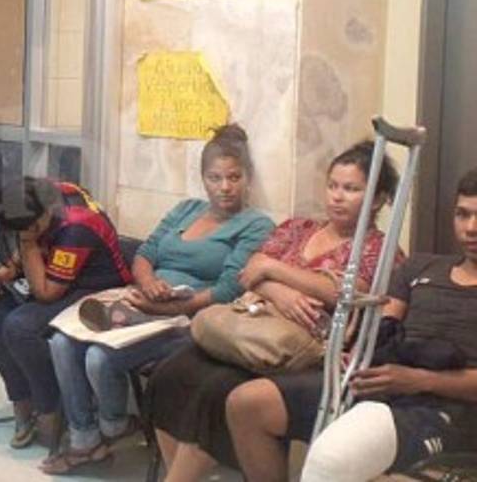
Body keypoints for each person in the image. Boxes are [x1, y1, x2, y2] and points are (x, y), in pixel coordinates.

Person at [145, 141, 401, 481]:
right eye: (333, 186)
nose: (337, 197)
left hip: (304, 348)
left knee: (213, 391)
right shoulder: (299, 228)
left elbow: (346, 293)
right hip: (250, 330)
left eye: (351, 189)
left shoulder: (377, 247)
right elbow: (248, 272)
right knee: (170, 373)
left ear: (378, 199)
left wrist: (274, 269)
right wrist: (282, 293)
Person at [41, 123, 275, 474]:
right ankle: (85, 440)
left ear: (247, 178)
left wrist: (165, 306)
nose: (225, 187)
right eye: (215, 178)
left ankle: (114, 426)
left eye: (234, 177)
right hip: (142, 303)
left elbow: (228, 290)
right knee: (61, 343)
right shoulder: (186, 210)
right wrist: (148, 283)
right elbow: (145, 254)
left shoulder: (255, 224)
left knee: (99, 359)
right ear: (203, 179)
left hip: (190, 319)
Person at [227, 167, 477, 482]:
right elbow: (383, 330)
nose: (471, 228)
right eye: (463, 215)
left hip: (445, 406)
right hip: (381, 382)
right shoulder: (421, 267)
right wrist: (359, 354)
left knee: (331, 462)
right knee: (248, 404)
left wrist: (418, 380)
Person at [0, 177, 133, 451]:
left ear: (42, 217)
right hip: (57, 278)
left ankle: (49, 407)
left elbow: (46, 293)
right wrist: (8, 271)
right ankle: (22, 399)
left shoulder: (76, 227)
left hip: (95, 291)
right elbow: (36, 241)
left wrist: (28, 244)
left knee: (20, 327)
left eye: (27, 231)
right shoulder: (40, 196)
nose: (24, 235)